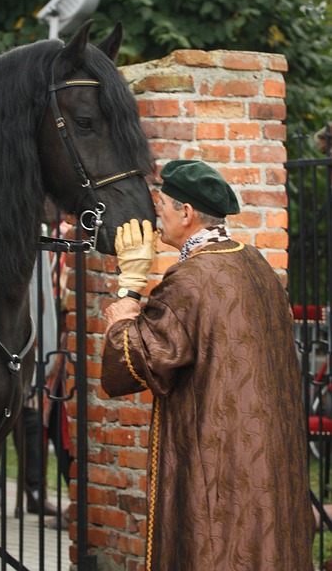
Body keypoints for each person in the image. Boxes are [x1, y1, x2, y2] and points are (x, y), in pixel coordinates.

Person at [101, 160, 315, 570]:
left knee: (218, 547)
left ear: (186, 212)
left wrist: (128, 288)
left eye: (161, 204)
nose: (155, 215)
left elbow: (136, 362)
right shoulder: (256, 266)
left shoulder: (191, 279)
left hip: (217, 462)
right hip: (265, 463)